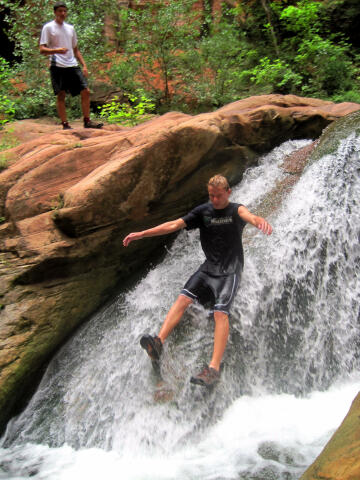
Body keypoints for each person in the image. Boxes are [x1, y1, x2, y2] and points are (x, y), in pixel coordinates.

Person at [123, 174, 273, 387]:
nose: (214, 200)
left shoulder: (236, 210)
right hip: (208, 268)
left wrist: (259, 222)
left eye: (218, 196)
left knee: (220, 313)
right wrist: (142, 234)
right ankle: (158, 342)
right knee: (183, 299)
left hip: (230, 272)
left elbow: (250, 217)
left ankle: (213, 369)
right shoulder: (203, 212)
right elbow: (174, 225)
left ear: (228, 192)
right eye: (211, 195)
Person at [39, 1, 103, 130]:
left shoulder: (70, 28)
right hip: (57, 65)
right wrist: (56, 51)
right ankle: (65, 124)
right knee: (61, 94)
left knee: (85, 91)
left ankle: (87, 121)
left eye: (64, 11)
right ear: (55, 12)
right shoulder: (48, 27)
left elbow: (75, 49)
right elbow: (42, 49)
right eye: (60, 11)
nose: (63, 13)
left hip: (72, 64)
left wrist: (84, 65)